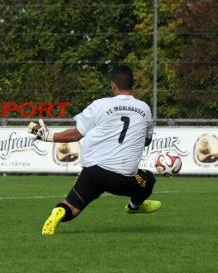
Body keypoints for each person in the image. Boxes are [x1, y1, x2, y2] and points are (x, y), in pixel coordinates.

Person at [28, 65, 160, 236]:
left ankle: (57, 213)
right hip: (123, 178)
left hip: (93, 173)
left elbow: (75, 135)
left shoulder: (100, 105)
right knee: (148, 179)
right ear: (132, 85)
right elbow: (147, 141)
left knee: (72, 208)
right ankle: (134, 206)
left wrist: (46, 136)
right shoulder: (144, 109)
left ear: (113, 85)